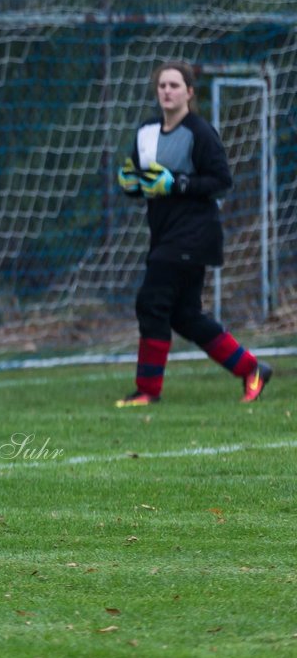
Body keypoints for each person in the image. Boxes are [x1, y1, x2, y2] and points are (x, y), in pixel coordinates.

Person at [114, 61, 272, 407]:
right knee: (184, 316)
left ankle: (147, 391)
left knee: (151, 303)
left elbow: (221, 181)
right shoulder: (145, 132)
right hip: (164, 234)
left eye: (174, 85)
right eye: (162, 85)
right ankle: (251, 368)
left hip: (194, 235)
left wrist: (178, 183)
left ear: (189, 92)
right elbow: (142, 181)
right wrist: (130, 184)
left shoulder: (199, 132)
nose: (167, 91)